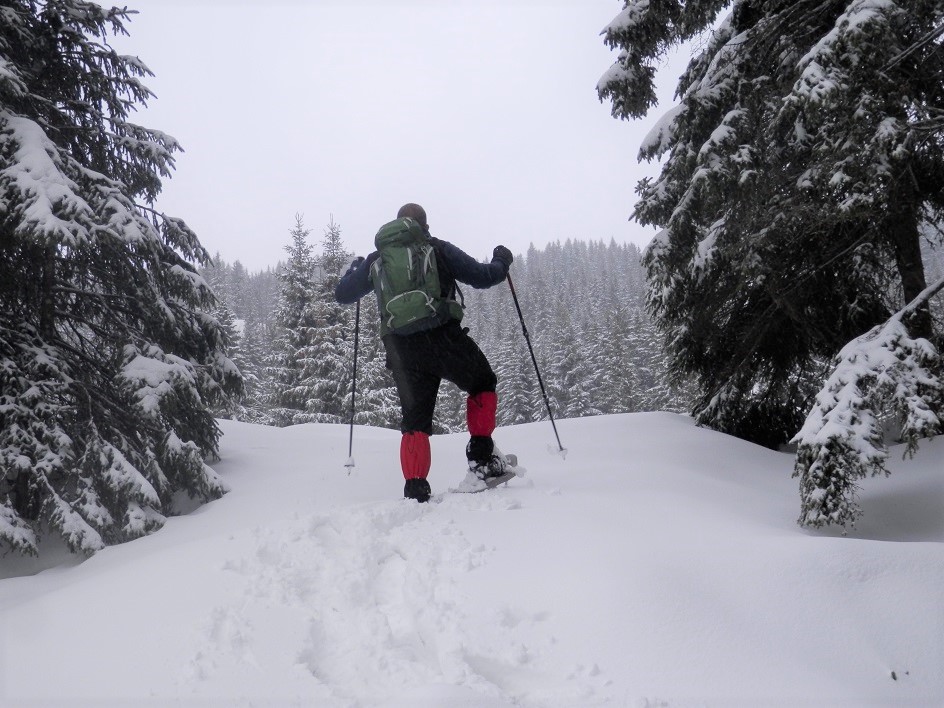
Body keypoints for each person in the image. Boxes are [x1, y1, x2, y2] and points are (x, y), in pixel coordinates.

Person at [335, 203, 513, 502]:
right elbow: (483, 277)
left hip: (402, 350)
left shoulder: (377, 260)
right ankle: (482, 461)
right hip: (443, 339)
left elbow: (343, 295)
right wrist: (502, 260)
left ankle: (416, 488)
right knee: (482, 382)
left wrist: (354, 269)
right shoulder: (437, 249)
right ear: (424, 225)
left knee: (415, 421)